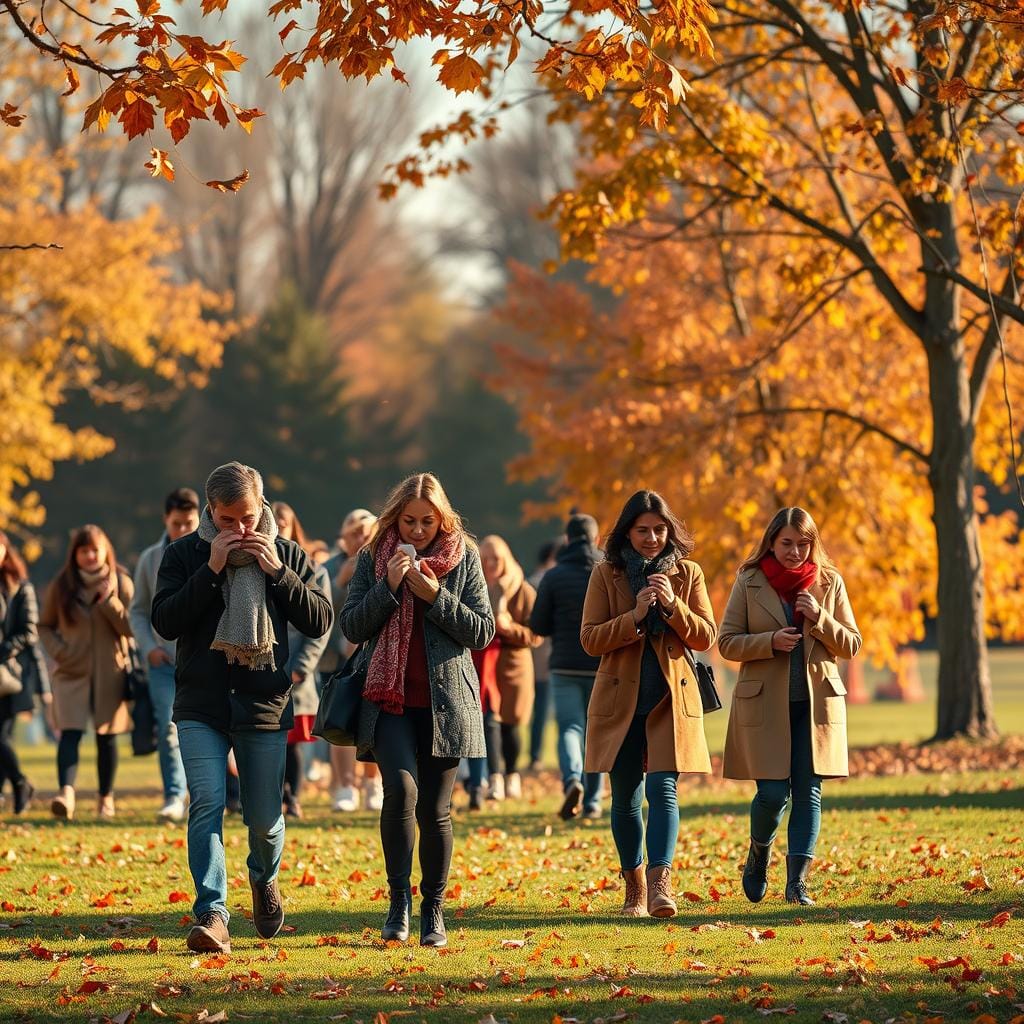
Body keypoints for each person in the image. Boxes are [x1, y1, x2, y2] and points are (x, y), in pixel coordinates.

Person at [152, 462, 332, 954]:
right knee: (207, 801)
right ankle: (212, 913)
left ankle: (264, 878)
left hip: (263, 704)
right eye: (228, 520)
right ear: (211, 511)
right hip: (200, 704)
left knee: (264, 819)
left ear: (262, 508)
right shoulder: (184, 554)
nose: (241, 530)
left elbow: (319, 620)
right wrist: (210, 570)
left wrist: (276, 571)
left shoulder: (288, 552)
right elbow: (165, 622)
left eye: (248, 518)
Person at [340, 473, 493, 947]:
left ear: (443, 518)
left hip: (446, 703)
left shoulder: (463, 556)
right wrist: (387, 587)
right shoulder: (373, 555)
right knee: (400, 794)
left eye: (428, 521)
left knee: (435, 809)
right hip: (389, 702)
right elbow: (351, 625)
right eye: (409, 521)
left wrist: (434, 597)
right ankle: (398, 903)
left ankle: (434, 909)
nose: (418, 531)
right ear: (396, 518)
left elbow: (483, 631)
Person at [580, 490, 715, 918]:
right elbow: (590, 639)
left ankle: (660, 886)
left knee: (663, 789)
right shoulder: (606, 574)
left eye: (659, 530)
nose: (652, 538)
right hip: (620, 699)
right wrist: (635, 616)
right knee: (624, 797)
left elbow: (706, 636)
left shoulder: (689, 574)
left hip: (669, 698)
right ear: (628, 532)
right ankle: (634, 886)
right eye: (643, 530)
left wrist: (673, 607)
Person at [719, 507, 862, 907]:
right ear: (771, 542)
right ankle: (759, 852)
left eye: (803, 544)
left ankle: (797, 884)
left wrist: (819, 619)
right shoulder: (749, 581)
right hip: (766, 706)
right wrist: (768, 642)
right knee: (771, 794)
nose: (795, 551)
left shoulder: (829, 582)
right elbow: (727, 641)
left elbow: (851, 644)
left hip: (815, 708)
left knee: (808, 792)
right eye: (787, 543)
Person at [39, 525, 134, 820]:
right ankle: (65, 793)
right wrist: (60, 652)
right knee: (69, 733)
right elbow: (44, 626)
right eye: (84, 551)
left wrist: (109, 601)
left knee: (107, 737)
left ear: (106, 550)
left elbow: (132, 628)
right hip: (71, 672)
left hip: (111, 672)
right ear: (75, 554)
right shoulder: (62, 585)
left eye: (95, 549)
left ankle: (105, 798)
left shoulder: (122, 582)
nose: (90, 556)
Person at [129, 487, 201, 822]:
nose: (184, 530)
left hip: (202, 659)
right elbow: (138, 610)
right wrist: (149, 649)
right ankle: (174, 794)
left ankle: (212, 793)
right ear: (165, 520)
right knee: (168, 726)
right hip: (164, 662)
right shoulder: (149, 560)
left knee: (206, 728)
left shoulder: (209, 551)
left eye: (190, 522)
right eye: (177, 524)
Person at [530, 514, 604, 820]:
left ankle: (573, 779)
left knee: (570, 728)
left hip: (564, 666)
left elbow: (538, 624)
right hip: (602, 665)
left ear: (568, 540)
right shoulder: (608, 571)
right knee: (596, 733)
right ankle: (594, 802)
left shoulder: (554, 575)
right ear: (596, 539)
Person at [272, 501, 332, 818]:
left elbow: (321, 626)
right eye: (274, 521)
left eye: (285, 521)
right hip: (265, 667)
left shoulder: (314, 570)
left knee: (292, 741)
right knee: (268, 740)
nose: (279, 526)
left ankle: (292, 796)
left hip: (296, 669)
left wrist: (301, 666)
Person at [471, 535, 539, 803]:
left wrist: (509, 628)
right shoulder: (474, 586)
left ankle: (512, 774)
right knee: (490, 723)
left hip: (514, 664)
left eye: (495, 559)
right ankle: (494, 777)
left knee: (512, 723)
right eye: (485, 559)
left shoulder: (522, 590)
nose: (490, 565)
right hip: (484, 664)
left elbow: (536, 634)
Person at [323, 509, 382, 813]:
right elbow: (318, 610)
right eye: (354, 533)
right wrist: (338, 581)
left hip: (373, 655)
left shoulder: (383, 561)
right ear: (343, 537)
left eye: (366, 532)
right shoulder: (329, 566)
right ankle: (345, 785)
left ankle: (373, 783)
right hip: (336, 658)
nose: (360, 538)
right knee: (341, 720)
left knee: (372, 721)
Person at [0, 531, 51, 814]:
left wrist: (5, 649)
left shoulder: (19, 587)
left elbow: (29, 631)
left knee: (1, 736)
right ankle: (18, 785)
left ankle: (19, 784)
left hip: (10, 674)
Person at [526, 540, 560, 772]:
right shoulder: (546, 582)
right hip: (547, 658)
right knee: (547, 711)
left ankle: (535, 756)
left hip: (532, 659)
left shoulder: (530, 582)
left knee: (538, 711)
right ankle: (539, 756)